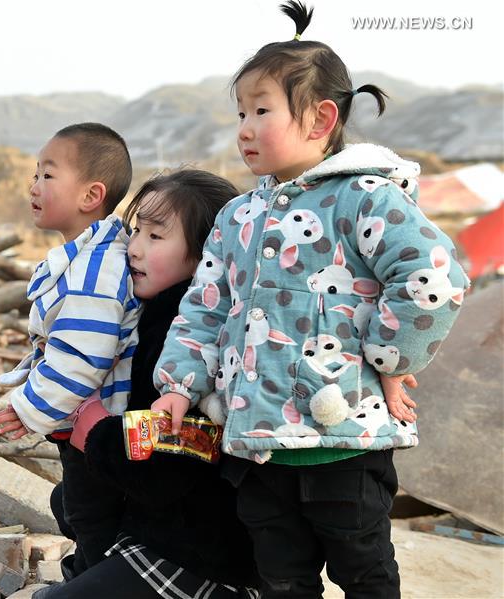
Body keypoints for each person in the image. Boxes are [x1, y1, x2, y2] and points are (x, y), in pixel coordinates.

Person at [151, 2, 470, 597]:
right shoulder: (237, 216)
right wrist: (179, 384)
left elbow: (433, 276)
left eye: (261, 110)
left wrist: (390, 357)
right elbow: (205, 307)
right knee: (280, 579)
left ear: (321, 119)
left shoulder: (364, 198)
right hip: (256, 446)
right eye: (240, 112)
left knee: (364, 571)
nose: (244, 128)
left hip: (343, 440)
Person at [40, 169, 260, 599]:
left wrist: (97, 432)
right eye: (136, 230)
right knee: (68, 502)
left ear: (208, 256)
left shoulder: (192, 340)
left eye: (156, 237)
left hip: (201, 552)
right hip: (154, 524)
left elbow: (173, 466)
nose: (135, 248)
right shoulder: (146, 314)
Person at [0, 122, 141, 576]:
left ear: (91, 195)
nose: (34, 186)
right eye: (35, 173)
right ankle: (91, 569)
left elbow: (82, 357)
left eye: (48, 175)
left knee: (89, 511)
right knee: (75, 503)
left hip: (96, 424)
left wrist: (30, 407)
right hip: (79, 417)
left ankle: (91, 579)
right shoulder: (84, 257)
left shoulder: (97, 270)